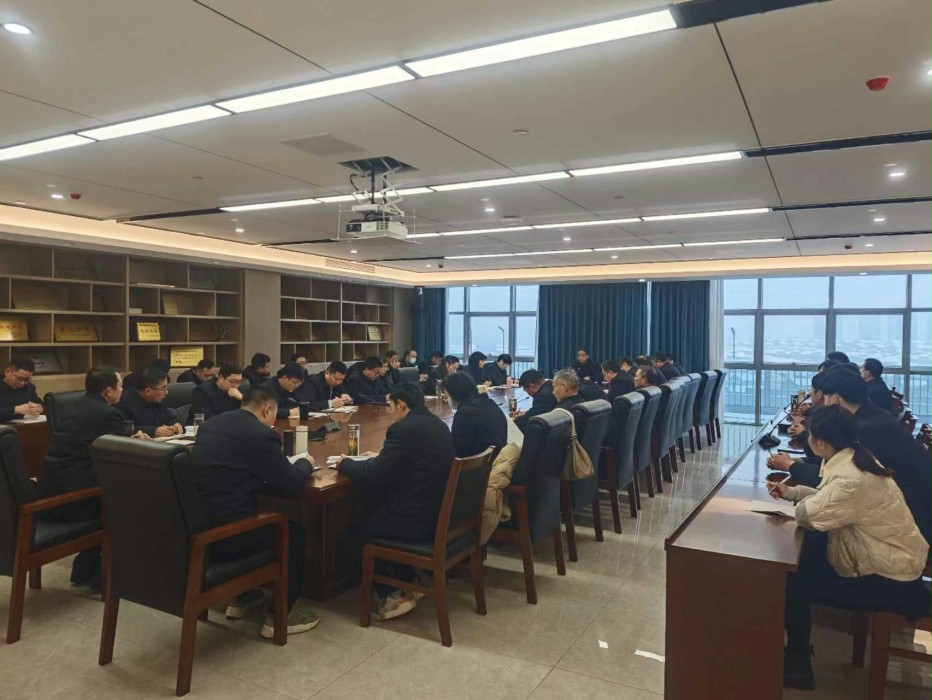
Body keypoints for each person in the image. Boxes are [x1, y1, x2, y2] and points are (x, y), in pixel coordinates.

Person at [768, 405, 930, 690]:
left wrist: (799, 500)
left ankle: (798, 665)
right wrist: (794, 492)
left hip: (890, 578)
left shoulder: (850, 477)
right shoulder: (856, 457)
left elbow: (808, 515)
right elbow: (830, 499)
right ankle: (794, 655)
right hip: (889, 559)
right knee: (806, 554)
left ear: (820, 443)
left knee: (792, 578)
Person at [192, 386, 317, 637]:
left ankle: (241, 597)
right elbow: (292, 482)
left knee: (249, 508)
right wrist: (306, 463)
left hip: (200, 528)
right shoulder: (260, 434)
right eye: (273, 417)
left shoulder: (211, 425)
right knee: (293, 532)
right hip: (230, 536)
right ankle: (281, 615)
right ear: (267, 409)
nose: (273, 423)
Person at [338, 383, 454, 620]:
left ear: (401, 405)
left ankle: (392, 593)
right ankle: (407, 581)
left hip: (417, 520)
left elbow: (376, 473)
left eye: (390, 406)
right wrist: (382, 459)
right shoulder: (437, 424)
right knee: (374, 507)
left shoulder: (403, 429)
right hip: (440, 513)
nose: (390, 411)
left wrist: (345, 463)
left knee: (360, 527)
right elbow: (408, 461)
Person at [39, 368, 144, 589]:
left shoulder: (73, 406)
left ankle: (84, 569)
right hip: (76, 500)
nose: (122, 390)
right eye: (120, 386)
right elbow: (118, 456)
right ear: (108, 391)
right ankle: (106, 576)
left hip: (51, 490)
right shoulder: (107, 414)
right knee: (133, 501)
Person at [816, 367, 932, 548]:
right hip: (905, 506)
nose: (824, 403)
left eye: (825, 397)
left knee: (818, 530)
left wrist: (793, 466)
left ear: (836, 399)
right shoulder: (872, 417)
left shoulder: (867, 430)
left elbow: (848, 479)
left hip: (909, 522)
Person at [443, 371, 506, 458]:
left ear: (455, 393)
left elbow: (458, 451)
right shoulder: (491, 404)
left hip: (473, 463)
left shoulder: (464, 414)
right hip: (495, 460)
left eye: (447, 396)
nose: (446, 399)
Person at [117, 367, 182, 437]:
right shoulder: (125, 402)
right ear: (148, 391)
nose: (166, 392)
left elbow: (170, 418)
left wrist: (176, 425)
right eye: (163, 389)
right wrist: (154, 431)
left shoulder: (159, 399)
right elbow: (124, 428)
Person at [0, 355, 43, 422]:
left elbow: (41, 404)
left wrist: (39, 409)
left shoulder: (29, 387)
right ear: (7, 371)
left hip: (23, 426)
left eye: (27, 380)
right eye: (19, 378)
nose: (22, 383)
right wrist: (16, 410)